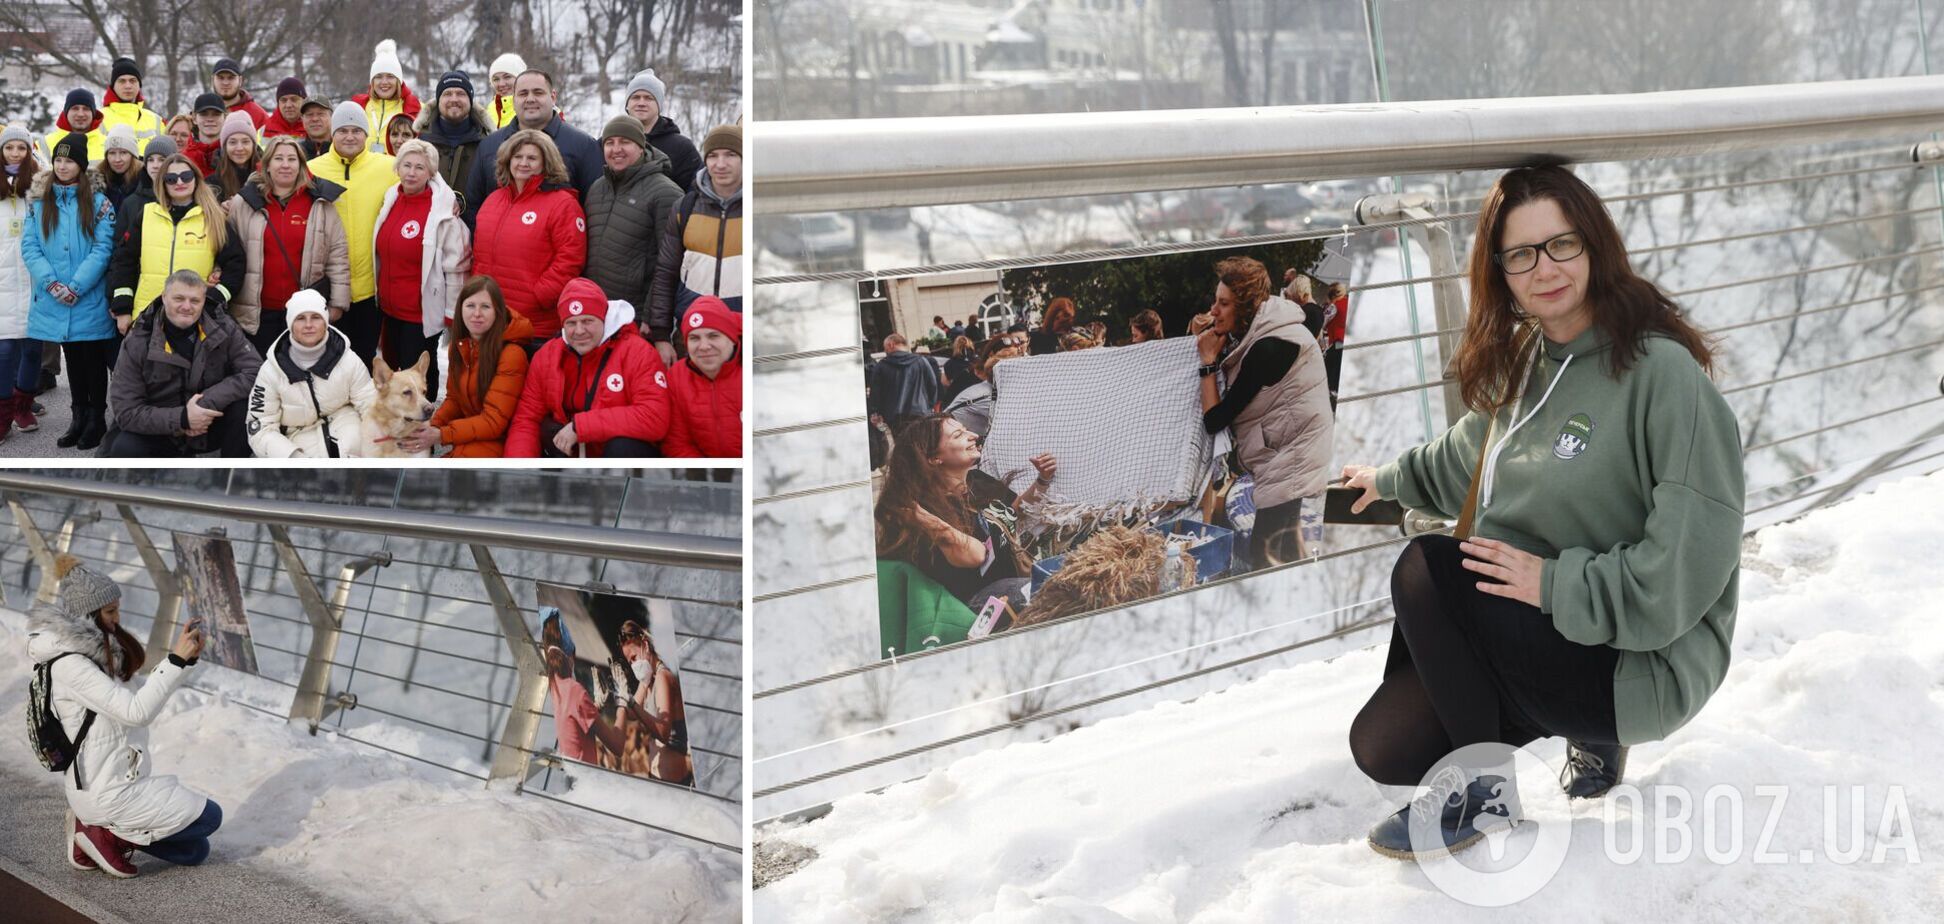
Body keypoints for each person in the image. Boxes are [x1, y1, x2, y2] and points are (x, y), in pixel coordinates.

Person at [1338, 165, 1743, 860]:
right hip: (1555, 633)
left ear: (1594, 245)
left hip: (1644, 657)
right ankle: (1550, 742)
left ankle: (1483, 796)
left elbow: (1679, 572)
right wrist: (1385, 483)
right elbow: (1473, 454)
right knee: (1384, 746)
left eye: (1561, 244)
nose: (1544, 268)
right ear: (1500, 271)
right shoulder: (1530, 358)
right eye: (1521, 254)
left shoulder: (1661, 376)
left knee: (1428, 568)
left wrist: (1555, 585)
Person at [26, 554, 222, 878]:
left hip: (124, 782)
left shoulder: (103, 654)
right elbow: (137, 712)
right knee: (210, 817)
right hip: (105, 791)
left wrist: (184, 662)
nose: (117, 618)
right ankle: (99, 831)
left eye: (117, 609)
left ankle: (96, 829)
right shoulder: (71, 666)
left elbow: (143, 696)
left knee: (195, 850)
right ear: (87, 615)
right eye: (110, 611)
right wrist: (174, 659)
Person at [1193, 255, 1333, 570]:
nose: (1214, 310)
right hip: (1293, 447)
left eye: (1223, 304)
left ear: (1244, 307)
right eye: (1216, 301)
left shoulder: (1268, 348)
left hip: (1292, 454)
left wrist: (1207, 362)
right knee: (1285, 549)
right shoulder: (1267, 328)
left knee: (1264, 557)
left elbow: (1215, 419)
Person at [873, 414, 1056, 608]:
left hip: (1009, 588)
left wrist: (1043, 479)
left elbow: (1010, 513)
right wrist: (923, 519)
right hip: (974, 607)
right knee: (1053, 593)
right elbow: (977, 555)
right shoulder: (925, 512)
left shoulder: (976, 480)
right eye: (959, 434)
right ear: (934, 458)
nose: (973, 435)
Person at [21, 133, 115, 449]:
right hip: (55, 293)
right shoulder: (39, 202)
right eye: (58, 160)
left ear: (81, 164)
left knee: (92, 357)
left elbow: (103, 247)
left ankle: (96, 418)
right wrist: (52, 283)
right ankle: (78, 416)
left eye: (69, 160)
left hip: (87, 295)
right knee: (72, 357)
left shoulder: (99, 202)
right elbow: (31, 245)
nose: (63, 166)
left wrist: (76, 285)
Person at [505, 277, 670, 458]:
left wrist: (581, 426)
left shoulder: (638, 352)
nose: (579, 331)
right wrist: (520, 468)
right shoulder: (547, 356)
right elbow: (527, 419)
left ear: (603, 319)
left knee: (622, 447)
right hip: (572, 453)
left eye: (587, 321)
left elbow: (655, 417)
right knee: (547, 431)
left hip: (618, 459)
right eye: (571, 323)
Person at [106, 269, 262, 457]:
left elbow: (255, 371)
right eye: (179, 299)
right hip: (162, 429)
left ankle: (229, 476)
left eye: (195, 300)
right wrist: (183, 419)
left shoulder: (224, 326)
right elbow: (127, 411)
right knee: (124, 448)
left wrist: (205, 404)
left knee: (245, 408)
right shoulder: (137, 339)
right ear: (164, 297)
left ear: (204, 300)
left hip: (207, 421)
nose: (187, 306)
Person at [222, 135, 352, 354]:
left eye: (292, 159)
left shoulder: (320, 203)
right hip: (257, 313)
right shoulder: (243, 203)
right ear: (267, 165)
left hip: (304, 313)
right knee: (260, 375)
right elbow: (226, 251)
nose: (285, 165)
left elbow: (337, 255)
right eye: (278, 158)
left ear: (301, 165)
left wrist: (338, 303)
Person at [371, 138, 470, 397]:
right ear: (397, 168)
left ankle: (422, 426)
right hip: (388, 309)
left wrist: (452, 312)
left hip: (420, 312)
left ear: (431, 173)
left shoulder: (442, 211)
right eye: (407, 165)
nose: (412, 172)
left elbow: (457, 265)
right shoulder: (391, 199)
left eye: (420, 167)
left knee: (419, 377)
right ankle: (395, 424)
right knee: (394, 377)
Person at [471, 130, 585, 344]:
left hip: (533, 325)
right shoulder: (494, 199)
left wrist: (539, 296)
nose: (523, 163)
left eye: (532, 158)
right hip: (490, 319)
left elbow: (570, 259)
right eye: (518, 157)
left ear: (546, 163)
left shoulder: (562, 203)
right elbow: (480, 255)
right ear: (508, 160)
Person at [107, 153, 244, 328]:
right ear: (162, 183)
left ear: (196, 179)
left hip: (195, 316)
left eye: (186, 176)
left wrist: (214, 299)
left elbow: (236, 263)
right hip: (147, 315)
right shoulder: (146, 214)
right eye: (171, 178)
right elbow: (124, 260)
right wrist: (123, 308)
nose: (179, 182)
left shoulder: (213, 218)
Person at [307, 102, 399, 364]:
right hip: (328, 286)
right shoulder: (313, 169)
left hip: (370, 288)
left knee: (363, 358)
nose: (349, 136)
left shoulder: (388, 168)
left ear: (366, 134)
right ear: (332, 133)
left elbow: (425, 178)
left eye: (356, 130)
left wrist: (452, 200)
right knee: (328, 359)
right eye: (343, 130)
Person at [400, 275, 530, 457]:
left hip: (501, 439)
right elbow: (454, 400)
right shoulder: (460, 346)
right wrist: (431, 428)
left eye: (485, 307)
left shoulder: (511, 355)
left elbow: (494, 422)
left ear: (498, 311)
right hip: (474, 434)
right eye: (470, 306)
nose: (477, 313)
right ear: (460, 309)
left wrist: (441, 435)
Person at [647, 123, 741, 364]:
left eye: (731, 155)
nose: (720, 164)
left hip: (740, 335)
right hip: (692, 332)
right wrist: (661, 335)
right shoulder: (686, 207)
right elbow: (666, 272)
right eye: (713, 156)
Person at [246, 290, 375, 457]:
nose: (308, 325)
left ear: (326, 321)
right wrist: (292, 457)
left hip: (350, 443)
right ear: (290, 323)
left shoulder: (348, 359)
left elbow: (371, 405)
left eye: (315, 317)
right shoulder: (271, 371)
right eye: (300, 318)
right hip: (299, 447)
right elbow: (259, 428)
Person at [463, 69, 600, 225]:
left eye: (538, 92)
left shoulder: (583, 145)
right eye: (523, 94)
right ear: (514, 99)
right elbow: (473, 205)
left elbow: (596, 211)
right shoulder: (489, 145)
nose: (530, 99)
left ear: (553, 97)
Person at [583, 114, 681, 327]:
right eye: (610, 143)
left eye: (625, 142)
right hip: (596, 311)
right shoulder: (597, 188)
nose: (616, 149)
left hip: (634, 317)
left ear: (640, 146)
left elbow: (670, 265)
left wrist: (652, 319)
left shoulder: (665, 193)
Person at [1, 128, 44, 442]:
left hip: (34, 276)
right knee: (4, 350)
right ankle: (2, 414)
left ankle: (23, 406)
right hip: (3, 279)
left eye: (21, 148)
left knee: (32, 348)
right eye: (9, 147)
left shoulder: (41, 186)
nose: (15, 153)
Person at [662, 296, 741, 458]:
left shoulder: (756, 371)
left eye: (713, 336)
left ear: (732, 339)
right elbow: (676, 443)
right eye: (694, 338)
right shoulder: (676, 376)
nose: (704, 346)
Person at [616, 620, 692, 785]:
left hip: (674, 784)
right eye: (630, 662)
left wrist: (630, 702)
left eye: (634, 658)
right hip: (657, 777)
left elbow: (663, 732)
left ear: (645, 645)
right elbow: (631, 714)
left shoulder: (664, 677)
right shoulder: (649, 680)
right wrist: (620, 696)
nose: (633, 664)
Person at [414, 70, 492, 206]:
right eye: (447, 94)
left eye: (461, 94)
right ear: (438, 101)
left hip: (474, 224)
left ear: (470, 100)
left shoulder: (487, 143)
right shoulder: (419, 141)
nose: (454, 99)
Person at [620, 69, 702, 194]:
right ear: (627, 104)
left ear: (659, 105)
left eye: (649, 98)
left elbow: (694, 195)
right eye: (635, 97)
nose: (641, 103)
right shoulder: (611, 142)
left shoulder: (682, 148)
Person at [352, 40, 420, 154]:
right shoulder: (359, 106)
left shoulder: (414, 107)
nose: (384, 82)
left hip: (396, 170)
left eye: (390, 76)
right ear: (372, 81)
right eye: (378, 77)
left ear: (398, 81)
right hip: (362, 170)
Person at [867, 333, 938, 437]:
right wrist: (929, 406)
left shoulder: (881, 366)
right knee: (922, 444)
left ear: (891, 344)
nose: (885, 350)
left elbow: (876, 393)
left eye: (885, 347)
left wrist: (876, 412)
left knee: (903, 447)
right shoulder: (921, 361)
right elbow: (932, 385)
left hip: (894, 416)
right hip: (920, 411)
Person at [97, 58, 163, 153]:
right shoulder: (98, 119)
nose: (128, 86)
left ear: (139, 85)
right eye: (122, 81)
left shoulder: (156, 120)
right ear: (113, 86)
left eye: (132, 81)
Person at [207, 111, 260, 201]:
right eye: (233, 142)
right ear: (225, 147)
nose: (239, 148)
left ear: (253, 145)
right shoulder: (212, 183)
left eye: (245, 141)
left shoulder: (267, 177)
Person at [44, 89, 104, 163]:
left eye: (86, 109)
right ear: (66, 112)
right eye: (75, 108)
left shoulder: (107, 145)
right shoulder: (45, 144)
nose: (80, 114)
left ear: (93, 114)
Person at [94, 126, 147, 212]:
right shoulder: (97, 184)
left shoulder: (146, 183)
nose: (117, 159)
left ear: (133, 155)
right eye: (112, 153)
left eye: (123, 152)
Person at [210, 57, 267, 128]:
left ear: (240, 80)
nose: (225, 83)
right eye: (220, 78)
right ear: (212, 80)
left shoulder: (258, 115)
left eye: (231, 78)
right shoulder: (202, 112)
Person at [1322, 280, 1350, 411]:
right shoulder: (1348, 303)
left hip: (1337, 342)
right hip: (1345, 342)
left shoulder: (1334, 306)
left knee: (1329, 369)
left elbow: (1323, 321)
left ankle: (1330, 395)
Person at [184, 94, 226, 171]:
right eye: (204, 114)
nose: (210, 119)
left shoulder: (233, 154)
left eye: (216, 114)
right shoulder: (184, 158)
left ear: (225, 118)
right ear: (194, 118)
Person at [486, 53, 526, 129]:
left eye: (507, 77)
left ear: (521, 78)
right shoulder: (491, 108)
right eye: (496, 79)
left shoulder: (533, 105)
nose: (501, 84)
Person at [939, 334, 978, 405]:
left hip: (958, 399)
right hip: (977, 397)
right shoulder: (976, 362)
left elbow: (945, 382)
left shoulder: (949, 364)